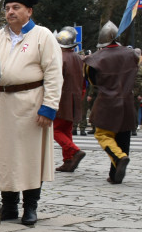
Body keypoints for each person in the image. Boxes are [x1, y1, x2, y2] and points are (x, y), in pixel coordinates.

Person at [0, 0, 63, 226]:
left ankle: (30, 206)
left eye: (16, 7)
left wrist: (49, 107)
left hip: (31, 104)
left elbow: (53, 73)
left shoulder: (43, 35)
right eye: (8, 8)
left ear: (29, 11)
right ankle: (8, 205)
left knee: (30, 158)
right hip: (1, 103)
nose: (10, 12)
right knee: (4, 157)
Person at [85, 21, 137, 183]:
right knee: (123, 136)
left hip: (107, 102)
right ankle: (115, 176)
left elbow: (92, 81)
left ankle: (119, 158)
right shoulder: (133, 55)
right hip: (128, 101)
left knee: (103, 134)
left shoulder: (94, 59)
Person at [53, 26, 87, 172]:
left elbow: (55, 80)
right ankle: (68, 160)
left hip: (62, 99)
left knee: (54, 130)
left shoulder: (59, 58)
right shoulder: (78, 58)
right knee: (66, 130)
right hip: (75, 98)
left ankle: (73, 150)